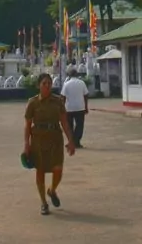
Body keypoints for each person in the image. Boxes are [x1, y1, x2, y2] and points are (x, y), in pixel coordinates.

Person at [24, 73, 75, 215]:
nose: (47, 86)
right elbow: (27, 125)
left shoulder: (58, 101)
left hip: (55, 139)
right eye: (44, 83)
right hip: (38, 140)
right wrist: (26, 145)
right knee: (40, 171)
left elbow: (64, 122)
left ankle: (52, 190)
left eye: (49, 83)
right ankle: (43, 203)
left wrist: (71, 140)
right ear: (39, 86)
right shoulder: (32, 103)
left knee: (58, 169)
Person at [60, 69, 89, 148]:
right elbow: (86, 95)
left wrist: (62, 109)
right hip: (80, 107)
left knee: (69, 126)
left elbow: (63, 97)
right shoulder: (82, 83)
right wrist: (86, 106)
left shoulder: (66, 84)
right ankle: (76, 141)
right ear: (77, 75)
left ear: (69, 75)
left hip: (69, 108)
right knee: (79, 125)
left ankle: (71, 141)